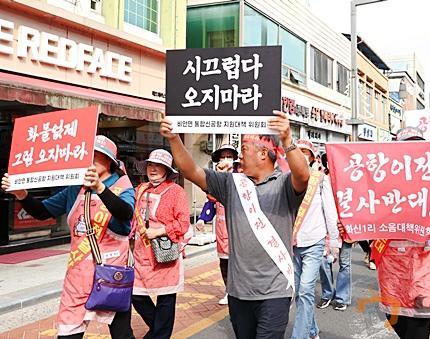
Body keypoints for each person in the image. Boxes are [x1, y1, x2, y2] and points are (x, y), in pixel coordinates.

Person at [159, 111, 310, 339]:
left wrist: (288, 139)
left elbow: (303, 175)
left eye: (244, 149)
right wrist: (173, 138)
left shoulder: (284, 185)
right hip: (239, 291)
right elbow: (191, 170)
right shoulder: (231, 183)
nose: (239, 156)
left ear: (263, 154)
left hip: (275, 291)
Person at [1, 135, 135, 339]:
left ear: (110, 162)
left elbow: (125, 213)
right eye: (88, 155)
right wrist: (22, 194)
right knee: (68, 332)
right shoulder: (75, 188)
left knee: (121, 334)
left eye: (97, 156)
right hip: (78, 275)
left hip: (111, 275)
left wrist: (100, 188)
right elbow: (43, 211)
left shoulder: (123, 186)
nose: (91, 160)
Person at [373, 127, 430, 339]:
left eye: (417, 145)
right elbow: (367, 217)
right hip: (392, 263)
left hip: (424, 262)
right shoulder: (381, 182)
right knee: (395, 318)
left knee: (419, 324)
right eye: (406, 145)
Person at [131, 149, 191, 339]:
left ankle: (159, 335)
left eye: (158, 166)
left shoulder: (176, 192)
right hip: (141, 254)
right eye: (150, 165)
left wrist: (158, 231)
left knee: (166, 300)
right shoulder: (140, 189)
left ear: (167, 170)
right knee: (136, 295)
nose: (153, 169)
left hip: (164, 253)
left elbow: (183, 224)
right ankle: (158, 330)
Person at [290, 140, 340, 339]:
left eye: (306, 153)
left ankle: (299, 336)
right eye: (298, 152)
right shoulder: (289, 178)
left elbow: (329, 210)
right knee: (297, 292)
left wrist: (334, 241)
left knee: (305, 290)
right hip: (293, 244)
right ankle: (311, 330)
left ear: (312, 157)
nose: (302, 156)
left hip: (314, 241)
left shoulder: (320, 180)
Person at [317, 152, 353, 312]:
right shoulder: (320, 180)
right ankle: (327, 294)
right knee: (324, 263)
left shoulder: (350, 180)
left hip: (345, 229)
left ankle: (342, 297)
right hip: (324, 228)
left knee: (345, 264)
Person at [211, 144, 239, 306]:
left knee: (239, 262)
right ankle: (229, 291)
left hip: (238, 229)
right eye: (223, 157)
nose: (226, 160)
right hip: (222, 230)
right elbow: (210, 199)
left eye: (229, 156)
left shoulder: (242, 176)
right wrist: (202, 219)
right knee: (224, 262)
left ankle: (238, 290)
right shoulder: (216, 177)